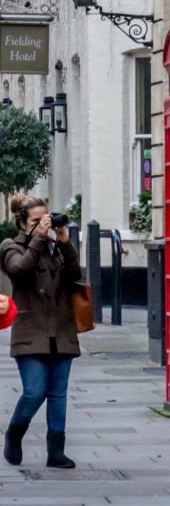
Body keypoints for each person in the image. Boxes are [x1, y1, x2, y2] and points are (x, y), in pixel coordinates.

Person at [1, 195, 83, 468]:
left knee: (58, 393)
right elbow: (19, 272)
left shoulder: (54, 246)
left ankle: (55, 453)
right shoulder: (10, 246)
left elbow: (73, 275)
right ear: (22, 222)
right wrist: (38, 238)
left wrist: (64, 240)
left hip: (61, 328)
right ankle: (14, 433)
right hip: (30, 329)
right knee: (35, 391)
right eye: (37, 221)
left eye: (46, 218)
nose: (44, 224)